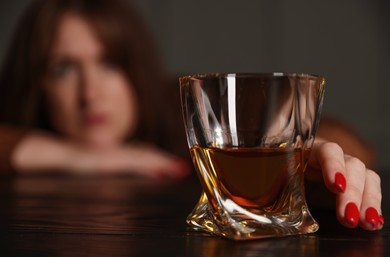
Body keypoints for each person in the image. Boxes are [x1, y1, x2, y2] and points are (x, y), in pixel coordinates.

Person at [0, 0, 383, 231]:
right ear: (36, 83)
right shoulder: (19, 118)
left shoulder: (183, 105)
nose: (90, 93)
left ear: (136, 69)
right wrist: (80, 157)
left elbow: (329, 131)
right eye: (63, 69)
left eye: (110, 64)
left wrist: (321, 154)